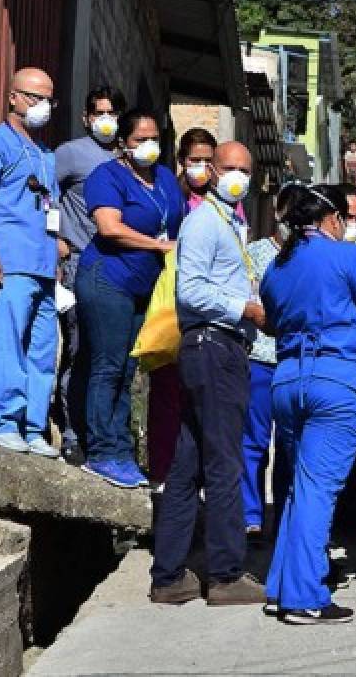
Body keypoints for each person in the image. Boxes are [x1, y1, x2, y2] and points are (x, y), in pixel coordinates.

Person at [261, 184, 356, 624]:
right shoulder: (349, 258)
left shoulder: (276, 266)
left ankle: (284, 585)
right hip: (337, 380)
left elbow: (271, 322)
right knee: (318, 488)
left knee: (300, 486)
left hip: (288, 380)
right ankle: (305, 596)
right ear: (332, 218)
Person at [150, 141, 266, 606]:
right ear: (211, 171)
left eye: (244, 169)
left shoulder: (232, 221)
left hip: (212, 347)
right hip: (214, 345)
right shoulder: (204, 222)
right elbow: (192, 289)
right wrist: (246, 307)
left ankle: (169, 575)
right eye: (229, 168)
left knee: (187, 463)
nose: (237, 175)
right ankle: (225, 573)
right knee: (224, 463)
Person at [76, 110, 183, 488]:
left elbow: (178, 224)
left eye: (154, 138)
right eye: (140, 140)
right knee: (106, 366)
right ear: (123, 142)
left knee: (127, 370)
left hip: (145, 288)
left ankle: (122, 449)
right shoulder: (107, 176)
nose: (148, 146)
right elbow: (109, 227)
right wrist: (158, 245)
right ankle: (102, 450)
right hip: (108, 278)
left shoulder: (166, 179)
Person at [0, 67, 62, 457]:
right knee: (5, 343)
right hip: (10, 263)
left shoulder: (46, 156)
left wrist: (57, 252)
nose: (41, 107)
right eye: (33, 97)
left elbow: (50, 207)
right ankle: (0, 421)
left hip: (43, 267)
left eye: (47, 100)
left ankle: (33, 426)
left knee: (42, 351)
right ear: (12, 97)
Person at [54, 85, 126, 464]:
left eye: (113, 113)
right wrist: (55, 238)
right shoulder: (71, 154)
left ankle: (104, 434)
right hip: (80, 263)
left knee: (109, 356)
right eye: (100, 113)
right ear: (86, 117)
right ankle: (71, 432)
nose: (107, 120)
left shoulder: (126, 159)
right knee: (80, 350)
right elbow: (42, 189)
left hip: (118, 271)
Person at [146, 128, 217, 487]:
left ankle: (194, 484)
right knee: (167, 398)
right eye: (195, 161)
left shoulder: (224, 202)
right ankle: (163, 476)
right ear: (181, 162)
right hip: (171, 309)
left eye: (208, 161)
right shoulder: (172, 199)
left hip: (210, 316)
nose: (202, 169)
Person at [242, 182, 309, 542]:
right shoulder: (253, 254)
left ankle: (284, 513)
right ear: (277, 215)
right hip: (259, 360)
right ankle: (251, 515)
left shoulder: (309, 257)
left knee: (289, 444)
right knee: (253, 442)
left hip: (294, 362)